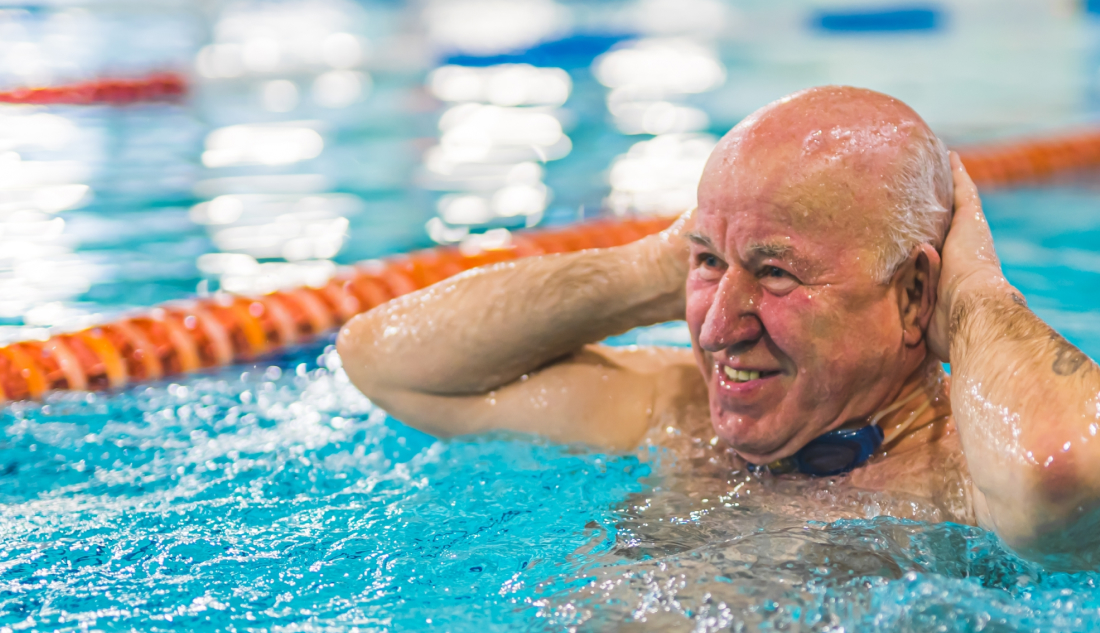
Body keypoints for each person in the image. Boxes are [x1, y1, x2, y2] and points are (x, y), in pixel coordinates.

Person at [337, 86, 1100, 570]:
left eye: (776, 273)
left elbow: (1068, 474)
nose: (716, 329)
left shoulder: (968, 473)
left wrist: (972, 301)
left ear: (912, 299)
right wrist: (654, 269)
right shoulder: (672, 416)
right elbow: (385, 361)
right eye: (706, 264)